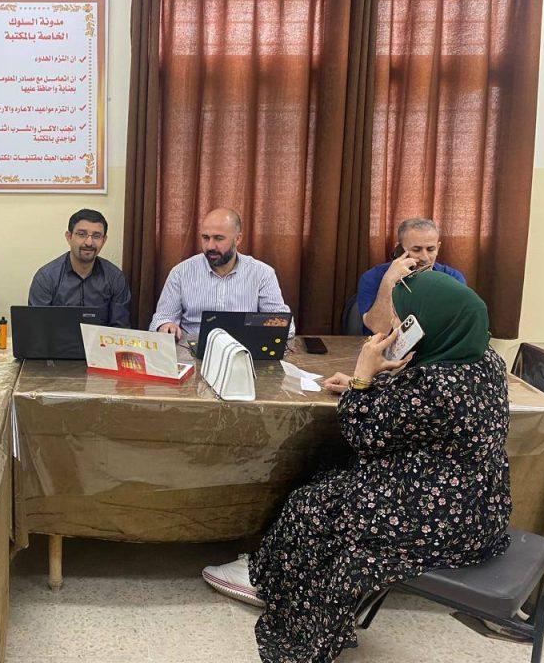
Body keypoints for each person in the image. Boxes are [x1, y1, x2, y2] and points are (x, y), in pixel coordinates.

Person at [202, 271, 511, 663]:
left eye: (402, 319)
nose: (395, 326)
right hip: (477, 504)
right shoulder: (482, 359)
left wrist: (363, 377)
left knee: (310, 503)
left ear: (427, 323)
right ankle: (274, 572)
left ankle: (265, 579)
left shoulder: (436, 384)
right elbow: (417, 410)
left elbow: (362, 435)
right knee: (329, 478)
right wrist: (363, 385)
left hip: (437, 518)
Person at [149, 208, 293, 339]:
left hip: (243, 349)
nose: (210, 246)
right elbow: (161, 319)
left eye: (219, 238)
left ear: (238, 239)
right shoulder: (181, 273)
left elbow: (285, 325)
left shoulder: (262, 274)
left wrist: (264, 326)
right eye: (205, 238)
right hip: (191, 349)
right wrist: (166, 326)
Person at [358, 217, 466, 335]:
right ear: (399, 249)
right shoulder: (372, 277)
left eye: (430, 249)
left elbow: (457, 327)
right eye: (416, 250)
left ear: (438, 248)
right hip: (384, 344)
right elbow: (379, 329)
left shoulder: (453, 278)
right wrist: (389, 281)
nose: (425, 258)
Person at [28, 209, 131, 327]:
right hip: (57, 339)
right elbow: (37, 328)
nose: (89, 242)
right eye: (82, 234)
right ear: (69, 237)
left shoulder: (115, 278)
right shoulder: (46, 278)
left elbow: (120, 329)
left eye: (96, 236)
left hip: (100, 339)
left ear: (104, 240)